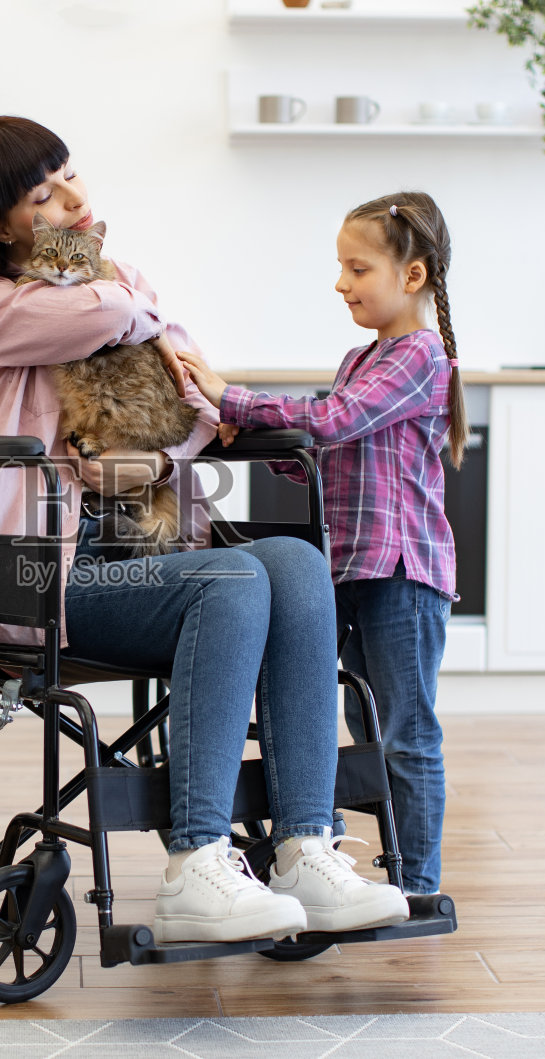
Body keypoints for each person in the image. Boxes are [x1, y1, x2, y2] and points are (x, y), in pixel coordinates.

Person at [0, 116, 410, 943]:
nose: (75, 198)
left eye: (72, 175)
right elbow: (105, 315)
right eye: (44, 194)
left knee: (291, 562)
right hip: (40, 577)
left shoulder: (112, 289)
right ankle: (196, 863)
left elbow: (193, 397)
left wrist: (155, 463)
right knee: (231, 579)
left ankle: (303, 845)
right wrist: (134, 307)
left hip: (150, 556)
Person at [179, 191, 463, 897]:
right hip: (348, 566)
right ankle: (336, 866)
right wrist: (250, 434)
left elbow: (335, 421)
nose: (342, 283)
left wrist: (234, 396)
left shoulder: (422, 356)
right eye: (341, 267)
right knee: (347, 726)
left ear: (414, 276)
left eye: (357, 268)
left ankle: (417, 882)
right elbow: (327, 449)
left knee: (404, 734)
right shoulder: (357, 357)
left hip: (402, 570)